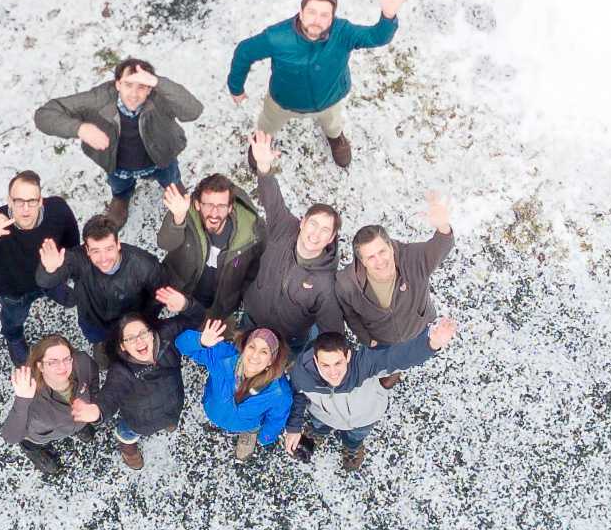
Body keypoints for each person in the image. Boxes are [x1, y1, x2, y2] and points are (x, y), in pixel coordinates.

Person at [226, 0, 408, 168]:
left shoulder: (343, 32)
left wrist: (388, 16)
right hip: (282, 102)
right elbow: (244, 52)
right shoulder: (277, 37)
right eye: (311, 12)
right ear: (301, 12)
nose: (316, 20)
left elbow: (376, 37)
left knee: (334, 125)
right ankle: (261, 146)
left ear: (332, 18)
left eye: (324, 15)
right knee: (267, 125)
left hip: (329, 100)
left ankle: (336, 139)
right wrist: (236, 87)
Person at [34, 58, 204, 225]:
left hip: (160, 158)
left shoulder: (160, 98)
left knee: (171, 178)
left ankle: (174, 190)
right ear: (117, 85)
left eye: (142, 87)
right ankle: (121, 198)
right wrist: (80, 128)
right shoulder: (98, 99)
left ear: (150, 89)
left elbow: (193, 111)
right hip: (118, 165)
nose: (134, 94)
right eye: (128, 85)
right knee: (119, 185)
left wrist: (158, 82)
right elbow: (45, 114)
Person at [284, 318, 459, 471]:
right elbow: (298, 394)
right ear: (315, 361)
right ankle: (319, 432)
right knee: (319, 425)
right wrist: (294, 428)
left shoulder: (364, 364)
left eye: (338, 363)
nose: (333, 373)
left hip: (365, 417)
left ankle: (352, 446)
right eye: (325, 365)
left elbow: (397, 356)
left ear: (348, 356)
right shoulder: (302, 373)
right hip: (324, 415)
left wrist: (431, 343)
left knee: (356, 435)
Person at [70, 290, 203, 470]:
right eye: (131, 338)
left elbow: (196, 319)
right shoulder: (121, 371)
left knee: (170, 420)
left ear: (151, 332)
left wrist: (186, 304)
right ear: (123, 346)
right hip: (139, 421)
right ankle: (128, 449)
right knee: (128, 432)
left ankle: (168, 422)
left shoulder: (165, 334)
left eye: (142, 333)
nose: (139, 341)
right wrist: (97, 411)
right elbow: (111, 394)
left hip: (173, 405)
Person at [335, 192, 455, 389]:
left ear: (391, 246)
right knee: (390, 359)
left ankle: (401, 365)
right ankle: (392, 368)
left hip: (419, 327)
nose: (380, 261)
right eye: (371, 257)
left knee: (416, 351)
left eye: (382, 251)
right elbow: (350, 314)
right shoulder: (346, 283)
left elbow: (441, 245)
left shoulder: (413, 258)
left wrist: (443, 226)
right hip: (382, 339)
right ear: (362, 261)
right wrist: (367, 339)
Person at [240, 131, 344, 352]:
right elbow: (272, 198)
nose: (315, 234)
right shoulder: (283, 226)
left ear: (331, 238)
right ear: (302, 222)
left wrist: (334, 354)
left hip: (288, 339)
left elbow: (332, 330)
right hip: (252, 318)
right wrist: (264, 166)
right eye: (313, 224)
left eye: (325, 230)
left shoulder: (327, 284)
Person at [0, 170, 80, 365]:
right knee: (14, 319)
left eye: (32, 201)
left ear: (41, 201)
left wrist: (61, 269)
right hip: (14, 289)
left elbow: (73, 246)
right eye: (19, 201)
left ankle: (53, 290)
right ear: (9, 200)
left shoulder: (58, 211)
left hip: (50, 276)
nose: (25, 209)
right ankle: (13, 337)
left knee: (64, 293)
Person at [36, 214, 171, 366]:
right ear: (86, 249)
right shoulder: (78, 260)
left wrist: (143, 322)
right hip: (94, 322)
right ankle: (103, 349)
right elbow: (44, 281)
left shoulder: (143, 265)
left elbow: (160, 294)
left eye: (109, 249)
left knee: (132, 359)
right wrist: (49, 269)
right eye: (95, 251)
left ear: (118, 244)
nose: (104, 258)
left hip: (130, 323)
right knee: (104, 355)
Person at [176, 319, 292, 462]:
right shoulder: (223, 357)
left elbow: (276, 419)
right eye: (252, 347)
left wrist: (265, 437)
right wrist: (200, 340)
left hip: (247, 424)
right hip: (213, 409)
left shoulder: (280, 393)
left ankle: (249, 433)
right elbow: (181, 344)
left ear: (271, 361)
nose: (254, 356)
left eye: (264, 351)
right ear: (243, 348)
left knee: (251, 427)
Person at [156, 173, 265, 320]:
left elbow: (257, 267)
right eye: (208, 205)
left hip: (222, 305)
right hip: (183, 292)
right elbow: (165, 243)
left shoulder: (252, 232)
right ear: (198, 205)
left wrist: (240, 297)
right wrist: (178, 218)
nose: (214, 213)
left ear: (230, 208)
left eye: (221, 206)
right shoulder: (184, 213)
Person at [0, 335, 101, 476]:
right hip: (41, 435)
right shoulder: (31, 393)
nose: (62, 366)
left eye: (66, 359)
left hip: (78, 421)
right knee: (31, 442)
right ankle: (35, 451)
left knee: (81, 424)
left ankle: (79, 428)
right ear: (40, 366)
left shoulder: (82, 362)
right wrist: (22, 400)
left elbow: (93, 377)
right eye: (52, 362)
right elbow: (11, 436)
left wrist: (93, 402)